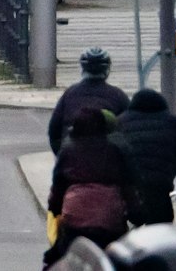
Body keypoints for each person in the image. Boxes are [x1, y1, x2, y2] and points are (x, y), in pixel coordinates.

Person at [46, 109, 135, 263]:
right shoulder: (113, 150)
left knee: (61, 254)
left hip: (75, 215)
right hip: (109, 218)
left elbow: (58, 185)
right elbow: (127, 186)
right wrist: (136, 213)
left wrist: (54, 208)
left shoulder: (68, 150)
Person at [114, 88, 176, 227]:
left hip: (130, 189)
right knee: (161, 233)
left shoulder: (120, 122)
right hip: (160, 189)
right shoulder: (173, 123)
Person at [48, 48, 130, 153]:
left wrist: (61, 155)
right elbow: (128, 127)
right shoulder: (118, 95)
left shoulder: (70, 94)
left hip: (73, 155)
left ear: (83, 68)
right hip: (107, 157)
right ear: (107, 69)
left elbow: (54, 129)